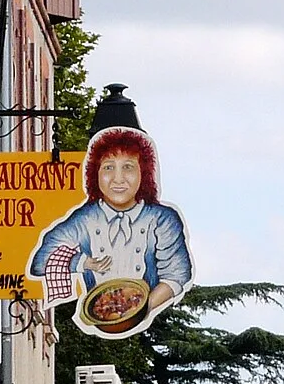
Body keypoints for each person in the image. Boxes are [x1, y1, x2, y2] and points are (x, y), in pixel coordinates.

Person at [28, 126, 192, 331]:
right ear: (95, 174)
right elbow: (41, 261)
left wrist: (137, 310)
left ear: (144, 173)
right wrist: (83, 262)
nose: (118, 179)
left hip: (141, 307)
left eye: (128, 167)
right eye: (108, 167)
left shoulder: (161, 218)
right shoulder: (85, 219)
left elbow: (177, 274)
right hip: (97, 310)